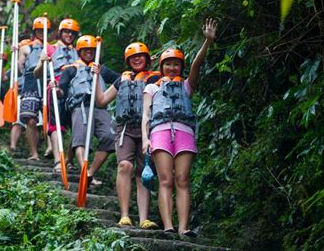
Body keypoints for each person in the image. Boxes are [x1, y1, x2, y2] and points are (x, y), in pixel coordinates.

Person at [141, 18, 217, 236]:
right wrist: (145, 139)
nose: (172, 67)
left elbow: (197, 65)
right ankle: (168, 226)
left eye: (175, 64)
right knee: (166, 179)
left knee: (182, 179)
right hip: (160, 132)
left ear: (180, 67)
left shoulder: (187, 85)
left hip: (184, 132)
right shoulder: (152, 88)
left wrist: (207, 42)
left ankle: (184, 228)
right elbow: (145, 114)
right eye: (168, 64)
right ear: (161, 66)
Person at [93, 42, 160, 229]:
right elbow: (101, 101)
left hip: (148, 129)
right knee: (124, 166)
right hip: (125, 130)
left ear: (147, 59)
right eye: (133, 57)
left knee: (143, 172)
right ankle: (124, 215)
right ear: (127, 61)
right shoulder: (121, 79)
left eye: (141, 56)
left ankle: (144, 218)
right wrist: (96, 77)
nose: (137, 59)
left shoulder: (156, 78)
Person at [54, 35, 119, 185]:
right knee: (80, 141)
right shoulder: (71, 70)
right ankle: (85, 173)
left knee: (110, 137)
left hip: (100, 108)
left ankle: (90, 173)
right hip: (80, 107)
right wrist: (56, 90)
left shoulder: (102, 70)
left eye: (92, 50)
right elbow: (62, 92)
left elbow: (121, 80)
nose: (89, 52)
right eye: (85, 50)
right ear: (79, 51)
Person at [35, 18, 80, 173]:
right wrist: (42, 62)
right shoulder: (50, 49)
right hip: (56, 86)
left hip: (75, 89)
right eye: (66, 32)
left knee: (76, 125)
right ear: (60, 32)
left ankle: (68, 159)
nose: (69, 35)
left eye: (72, 33)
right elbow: (36, 74)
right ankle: (57, 160)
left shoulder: (78, 51)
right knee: (56, 126)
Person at [17, 17, 55, 160]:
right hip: (31, 84)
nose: (42, 33)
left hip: (47, 83)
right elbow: (20, 69)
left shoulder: (53, 48)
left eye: (44, 31)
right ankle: (34, 153)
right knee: (31, 120)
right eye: (39, 30)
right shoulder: (26, 48)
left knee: (49, 117)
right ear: (35, 31)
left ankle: (51, 147)